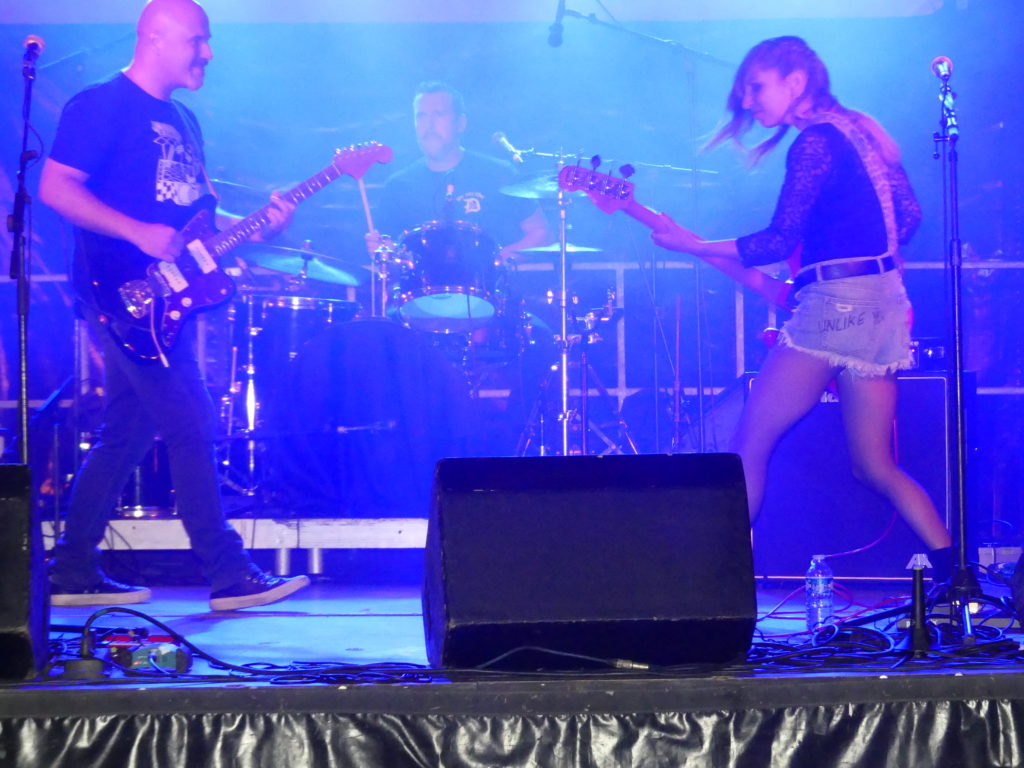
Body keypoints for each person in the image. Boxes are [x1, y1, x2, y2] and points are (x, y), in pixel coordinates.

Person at [39, 0, 310, 610]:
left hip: (169, 301)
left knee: (127, 429)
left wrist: (260, 223)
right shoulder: (100, 104)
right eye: (198, 40)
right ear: (156, 38)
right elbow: (55, 187)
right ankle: (228, 572)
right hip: (122, 294)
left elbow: (202, 219)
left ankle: (71, 568)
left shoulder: (184, 118)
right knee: (191, 418)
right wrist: (136, 232)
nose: (208, 53)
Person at [650, 36, 953, 578]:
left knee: (750, 443)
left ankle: (716, 579)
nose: (748, 102)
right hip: (885, 307)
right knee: (875, 466)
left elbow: (777, 239)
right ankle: (957, 575)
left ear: (796, 82)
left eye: (756, 87)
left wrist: (693, 245)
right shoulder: (861, 129)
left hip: (834, 307)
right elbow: (909, 218)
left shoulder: (813, 142)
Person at [369, 81, 550, 264]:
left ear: (460, 123)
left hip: (488, 281)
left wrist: (494, 263)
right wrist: (381, 251)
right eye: (421, 116)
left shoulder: (498, 173)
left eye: (439, 114)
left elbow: (541, 234)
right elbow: (386, 254)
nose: (429, 124)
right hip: (422, 283)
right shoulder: (398, 186)